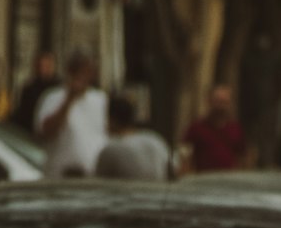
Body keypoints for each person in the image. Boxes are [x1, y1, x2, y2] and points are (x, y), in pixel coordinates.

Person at [34, 48, 108, 176]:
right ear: (69, 72)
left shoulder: (100, 99)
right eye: (77, 71)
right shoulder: (52, 98)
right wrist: (69, 100)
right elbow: (46, 132)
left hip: (92, 176)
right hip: (60, 176)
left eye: (86, 71)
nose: (81, 77)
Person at [94, 94, 172, 178]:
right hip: (159, 190)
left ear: (112, 120)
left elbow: (98, 183)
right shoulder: (156, 139)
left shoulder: (111, 150)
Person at [182, 84, 246, 173]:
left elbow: (242, 157)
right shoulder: (196, 128)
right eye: (218, 101)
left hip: (230, 181)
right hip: (202, 181)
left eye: (224, 102)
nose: (221, 106)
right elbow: (185, 154)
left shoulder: (235, 129)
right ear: (209, 102)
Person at [13, 50, 59, 134]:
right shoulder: (29, 89)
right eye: (40, 66)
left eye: (46, 66)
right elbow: (23, 114)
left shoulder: (59, 89)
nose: (43, 69)